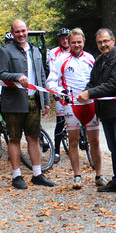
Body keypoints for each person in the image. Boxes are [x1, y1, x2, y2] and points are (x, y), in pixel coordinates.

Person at [78, 28, 116, 201]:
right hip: (106, 112)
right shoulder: (99, 61)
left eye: (106, 41)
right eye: (100, 42)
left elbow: (113, 85)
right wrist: (86, 90)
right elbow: (93, 81)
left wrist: (90, 93)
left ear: (113, 40)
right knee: (113, 148)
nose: (103, 45)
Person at [0, 19, 54, 189]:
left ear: (27, 30)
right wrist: (17, 77)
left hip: (33, 100)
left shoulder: (35, 50)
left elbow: (42, 76)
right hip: (14, 102)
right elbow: (1, 74)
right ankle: (17, 176)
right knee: (14, 138)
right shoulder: (5, 51)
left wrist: (45, 101)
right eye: (17, 31)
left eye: (23, 31)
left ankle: (37, 174)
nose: (21, 34)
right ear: (12, 33)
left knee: (34, 137)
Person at [47, 28, 103, 189]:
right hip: (71, 106)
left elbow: (98, 81)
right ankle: (77, 175)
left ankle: (99, 175)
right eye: (73, 42)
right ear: (68, 43)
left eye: (79, 42)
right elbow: (51, 81)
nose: (76, 45)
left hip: (90, 105)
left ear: (84, 42)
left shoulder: (91, 58)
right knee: (73, 141)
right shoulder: (61, 59)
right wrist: (60, 91)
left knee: (95, 141)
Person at [47, 28, 71, 163]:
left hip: (73, 89)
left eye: (67, 37)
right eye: (62, 38)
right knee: (60, 121)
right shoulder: (54, 53)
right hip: (60, 89)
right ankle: (56, 151)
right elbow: (52, 72)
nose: (65, 40)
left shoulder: (74, 49)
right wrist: (55, 91)